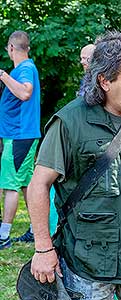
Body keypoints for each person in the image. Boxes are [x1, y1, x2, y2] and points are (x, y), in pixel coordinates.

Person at [26, 31, 121, 299]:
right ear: (104, 81)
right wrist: (43, 249)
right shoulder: (70, 121)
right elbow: (38, 184)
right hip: (89, 264)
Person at [0, 30, 41, 249]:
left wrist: (3, 76)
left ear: (11, 48)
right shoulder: (24, 69)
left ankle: (3, 236)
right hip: (18, 135)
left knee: (10, 186)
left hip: (19, 136)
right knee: (26, 185)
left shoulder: (25, 69)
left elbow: (25, 93)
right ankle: (35, 230)